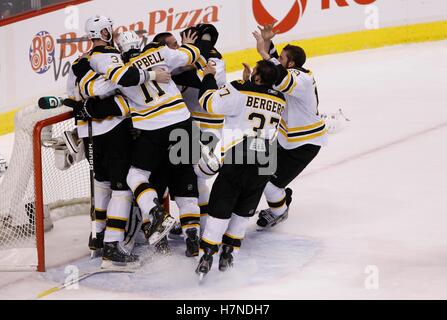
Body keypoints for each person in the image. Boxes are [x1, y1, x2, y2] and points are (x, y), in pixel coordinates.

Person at [67, 15, 170, 269]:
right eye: (108, 29)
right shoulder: (109, 56)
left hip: (90, 132)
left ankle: (98, 237)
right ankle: (113, 247)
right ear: (102, 32)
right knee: (122, 189)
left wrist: (89, 105)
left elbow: (77, 94)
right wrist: (143, 75)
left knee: (101, 184)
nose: (111, 33)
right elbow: (111, 88)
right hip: (113, 131)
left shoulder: (79, 62)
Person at [195, 60, 286, 278]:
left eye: (254, 72)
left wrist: (208, 76)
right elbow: (254, 101)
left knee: (221, 205)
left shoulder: (239, 88)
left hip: (239, 156)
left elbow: (209, 102)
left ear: (256, 77)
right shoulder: (280, 99)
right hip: (265, 160)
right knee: (245, 206)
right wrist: (250, 81)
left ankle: (207, 253)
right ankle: (229, 251)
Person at [252, 24, 328, 230]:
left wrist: (262, 53)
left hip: (304, 144)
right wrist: (267, 42)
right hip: (287, 139)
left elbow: (279, 75)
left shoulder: (300, 79)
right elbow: (275, 64)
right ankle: (281, 195)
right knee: (260, 173)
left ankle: (279, 211)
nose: (279, 59)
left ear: (292, 63)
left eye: (283, 58)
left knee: (269, 186)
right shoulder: (294, 71)